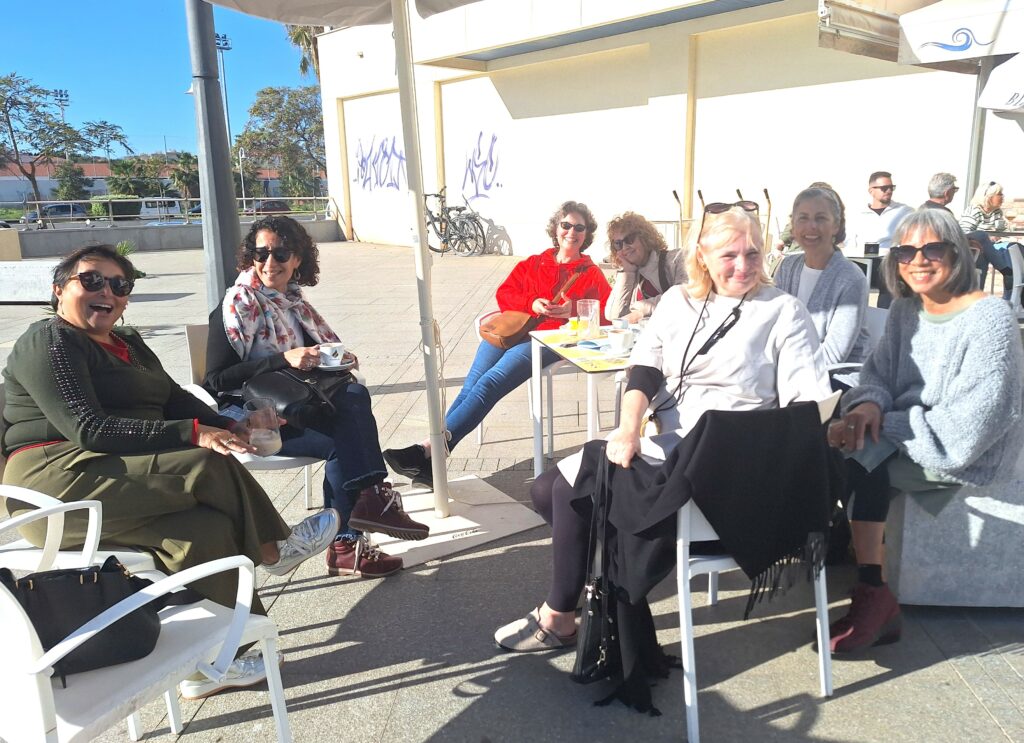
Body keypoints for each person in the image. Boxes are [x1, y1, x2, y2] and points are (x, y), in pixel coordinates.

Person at [1, 244, 338, 697]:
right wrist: (195, 434)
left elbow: (174, 401)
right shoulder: (50, 339)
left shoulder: (130, 344)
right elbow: (88, 428)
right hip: (52, 480)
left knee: (206, 529)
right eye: (92, 280)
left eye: (120, 285)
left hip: (114, 472)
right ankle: (275, 548)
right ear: (59, 289)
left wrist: (231, 424)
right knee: (202, 463)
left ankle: (218, 663)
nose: (108, 291)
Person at [493, 202, 831, 651]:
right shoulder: (678, 301)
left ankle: (559, 616)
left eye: (752, 254)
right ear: (703, 256)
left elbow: (806, 404)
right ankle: (602, 582)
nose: (743, 266)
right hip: (669, 441)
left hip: (726, 462)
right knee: (543, 490)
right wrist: (628, 427)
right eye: (729, 255)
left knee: (568, 490)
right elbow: (645, 368)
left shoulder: (783, 311)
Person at [826, 208, 1024, 654]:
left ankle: (873, 593)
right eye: (906, 251)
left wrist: (883, 422)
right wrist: (868, 407)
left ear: (960, 253)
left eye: (933, 248)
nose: (918, 259)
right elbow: (875, 375)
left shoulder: (988, 318)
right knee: (833, 439)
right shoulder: (904, 310)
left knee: (862, 460)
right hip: (910, 436)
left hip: (966, 451)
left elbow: (975, 424)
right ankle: (855, 563)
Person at [205, 216, 427, 580]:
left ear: (298, 260)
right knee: (346, 437)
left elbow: (309, 367)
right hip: (256, 417)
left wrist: (334, 359)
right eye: (260, 253)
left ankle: (363, 513)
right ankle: (356, 527)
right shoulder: (234, 307)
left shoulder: (294, 306)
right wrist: (282, 358)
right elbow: (215, 380)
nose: (269, 262)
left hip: (300, 406)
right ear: (250, 257)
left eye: (281, 253)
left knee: (353, 394)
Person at [384, 200, 612, 489]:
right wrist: (531, 302)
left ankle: (428, 450)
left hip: (550, 340)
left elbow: (607, 313)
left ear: (586, 234)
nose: (572, 232)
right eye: (566, 225)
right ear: (556, 229)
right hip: (513, 330)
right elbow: (505, 293)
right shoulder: (534, 262)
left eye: (579, 227)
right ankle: (433, 457)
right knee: (472, 385)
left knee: (490, 382)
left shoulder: (591, 273)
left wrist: (572, 310)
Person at [774, 187, 869, 367]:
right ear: (793, 225)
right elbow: (773, 329)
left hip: (834, 380)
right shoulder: (787, 267)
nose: (812, 226)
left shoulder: (851, 278)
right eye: (803, 218)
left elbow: (832, 356)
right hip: (787, 372)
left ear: (836, 225)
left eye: (821, 218)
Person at [846, 171, 914, 309]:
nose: (889, 191)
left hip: (890, 261)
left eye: (891, 187)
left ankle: (885, 320)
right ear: (871, 191)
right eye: (884, 188)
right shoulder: (857, 214)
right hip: (862, 262)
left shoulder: (904, 212)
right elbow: (850, 242)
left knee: (890, 281)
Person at [604, 211, 686, 323]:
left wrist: (641, 311)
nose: (625, 247)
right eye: (618, 244)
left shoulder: (677, 259)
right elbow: (613, 315)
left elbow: (686, 296)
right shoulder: (632, 275)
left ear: (645, 237)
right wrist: (627, 273)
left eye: (629, 239)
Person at [960, 181, 1013, 299]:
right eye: (999, 194)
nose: (1003, 197)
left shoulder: (997, 212)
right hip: (976, 249)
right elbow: (964, 233)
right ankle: (1008, 273)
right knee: (1001, 252)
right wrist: (989, 238)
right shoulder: (974, 211)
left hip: (993, 248)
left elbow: (1001, 230)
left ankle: (1011, 291)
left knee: (1014, 248)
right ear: (988, 197)